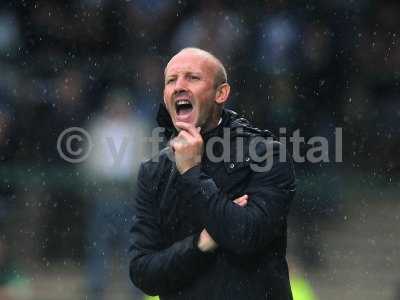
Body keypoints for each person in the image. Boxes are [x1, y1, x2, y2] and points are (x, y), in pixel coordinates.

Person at [129, 47, 296, 300]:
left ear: (221, 93)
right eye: (171, 80)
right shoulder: (154, 171)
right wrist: (201, 244)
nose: (179, 86)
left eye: (192, 78)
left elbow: (246, 236)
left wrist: (192, 173)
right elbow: (143, 273)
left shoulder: (266, 154)